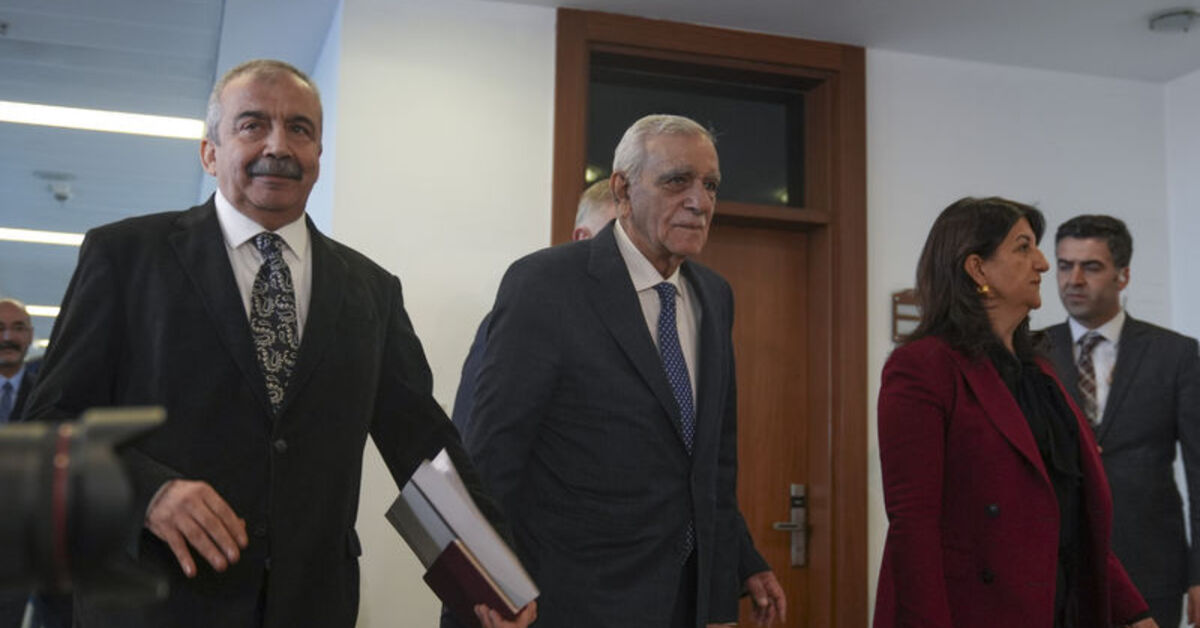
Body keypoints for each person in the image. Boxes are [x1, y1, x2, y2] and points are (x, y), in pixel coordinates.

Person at [24, 59, 535, 628]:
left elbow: (419, 445)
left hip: (310, 605)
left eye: (299, 128)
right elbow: (49, 425)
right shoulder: (126, 256)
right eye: (252, 125)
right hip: (155, 602)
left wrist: (489, 581)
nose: (278, 145)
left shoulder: (371, 290)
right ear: (210, 152)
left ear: (318, 153)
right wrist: (149, 493)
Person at [450, 179, 786, 625]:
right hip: (570, 597)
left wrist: (741, 559)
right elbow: (481, 462)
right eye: (619, 237)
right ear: (585, 240)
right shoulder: (531, 308)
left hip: (675, 599)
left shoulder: (703, 303)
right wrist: (479, 593)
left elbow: (691, 465)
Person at [874, 197, 1153, 628]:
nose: (1043, 263)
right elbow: (914, 527)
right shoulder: (922, 367)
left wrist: (1135, 614)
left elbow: (1072, 518)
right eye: (1023, 247)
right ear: (977, 269)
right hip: (975, 612)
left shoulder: (1041, 373)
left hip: (1059, 607)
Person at [1045, 214, 1200, 628]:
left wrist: (1199, 573)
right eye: (1064, 265)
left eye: (1091, 266)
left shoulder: (1175, 354)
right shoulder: (1031, 352)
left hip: (1151, 564)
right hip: (1056, 567)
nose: (1074, 279)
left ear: (1123, 275)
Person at [0, 298, 38, 628]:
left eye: (18, 328)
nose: (8, 337)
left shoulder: (52, 398)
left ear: (30, 336)